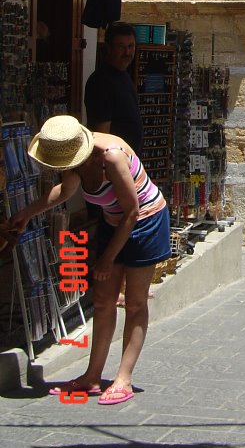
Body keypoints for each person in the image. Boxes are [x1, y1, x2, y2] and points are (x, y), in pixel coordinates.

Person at [9, 114, 170, 405]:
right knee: (102, 300)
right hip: (114, 222)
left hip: (145, 222)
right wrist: (26, 214)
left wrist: (107, 259)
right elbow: (65, 191)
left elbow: (133, 212)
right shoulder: (75, 160)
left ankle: (124, 378)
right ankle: (92, 375)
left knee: (134, 301)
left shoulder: (111, 157)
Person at [84, 21, 143, 158]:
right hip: (113, 167)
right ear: (109, 48)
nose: (127, 52)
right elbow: (102, 135)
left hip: (129, 163)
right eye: (121, 47)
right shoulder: (102, 81)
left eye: (131, 46)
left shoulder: (123, 75)